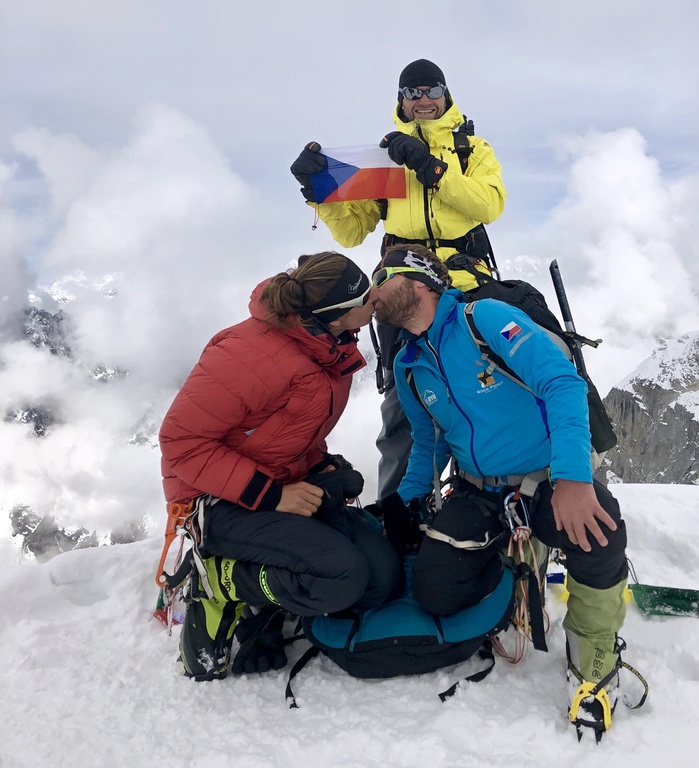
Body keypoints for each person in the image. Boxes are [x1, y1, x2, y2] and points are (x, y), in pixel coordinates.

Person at [371, 245, 631, 741]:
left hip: (546, 477)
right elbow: (428, 442)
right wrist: (404, 502)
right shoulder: (408, 365)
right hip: (477, 491)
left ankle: (593, 643)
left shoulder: (482, 319)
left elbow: (561, 382)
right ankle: (517, 574)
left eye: (383, 280)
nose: (374, 295)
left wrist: (575, 479)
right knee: (437, 595)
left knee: (598, 530)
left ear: (420, 282)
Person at [159, 252, 405, 681]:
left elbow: (280, 432)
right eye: (366, 296)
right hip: (217, 502)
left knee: (380, 581)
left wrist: (321, 464)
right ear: (335, 314)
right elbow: (181, 441)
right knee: (341, 578)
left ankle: (274, 592)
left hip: (274, 486)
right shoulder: (250, 354)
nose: (375, 301)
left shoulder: (325, 347)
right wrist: (275, 495)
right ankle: (219, 583)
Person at [290, 58, 506, 500]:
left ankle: (490, 485)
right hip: (401, 280)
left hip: (465, 276)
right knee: (406, 403)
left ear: (446, 95)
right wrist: (319, 191)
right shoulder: (384, 158)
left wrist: (433, 170)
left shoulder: (472, 150)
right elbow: (352, 230)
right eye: (413, 92)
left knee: (495, 373)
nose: (423, 99)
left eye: (431, 90)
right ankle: (400, 509)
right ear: (401, 101)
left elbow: (489, 205)